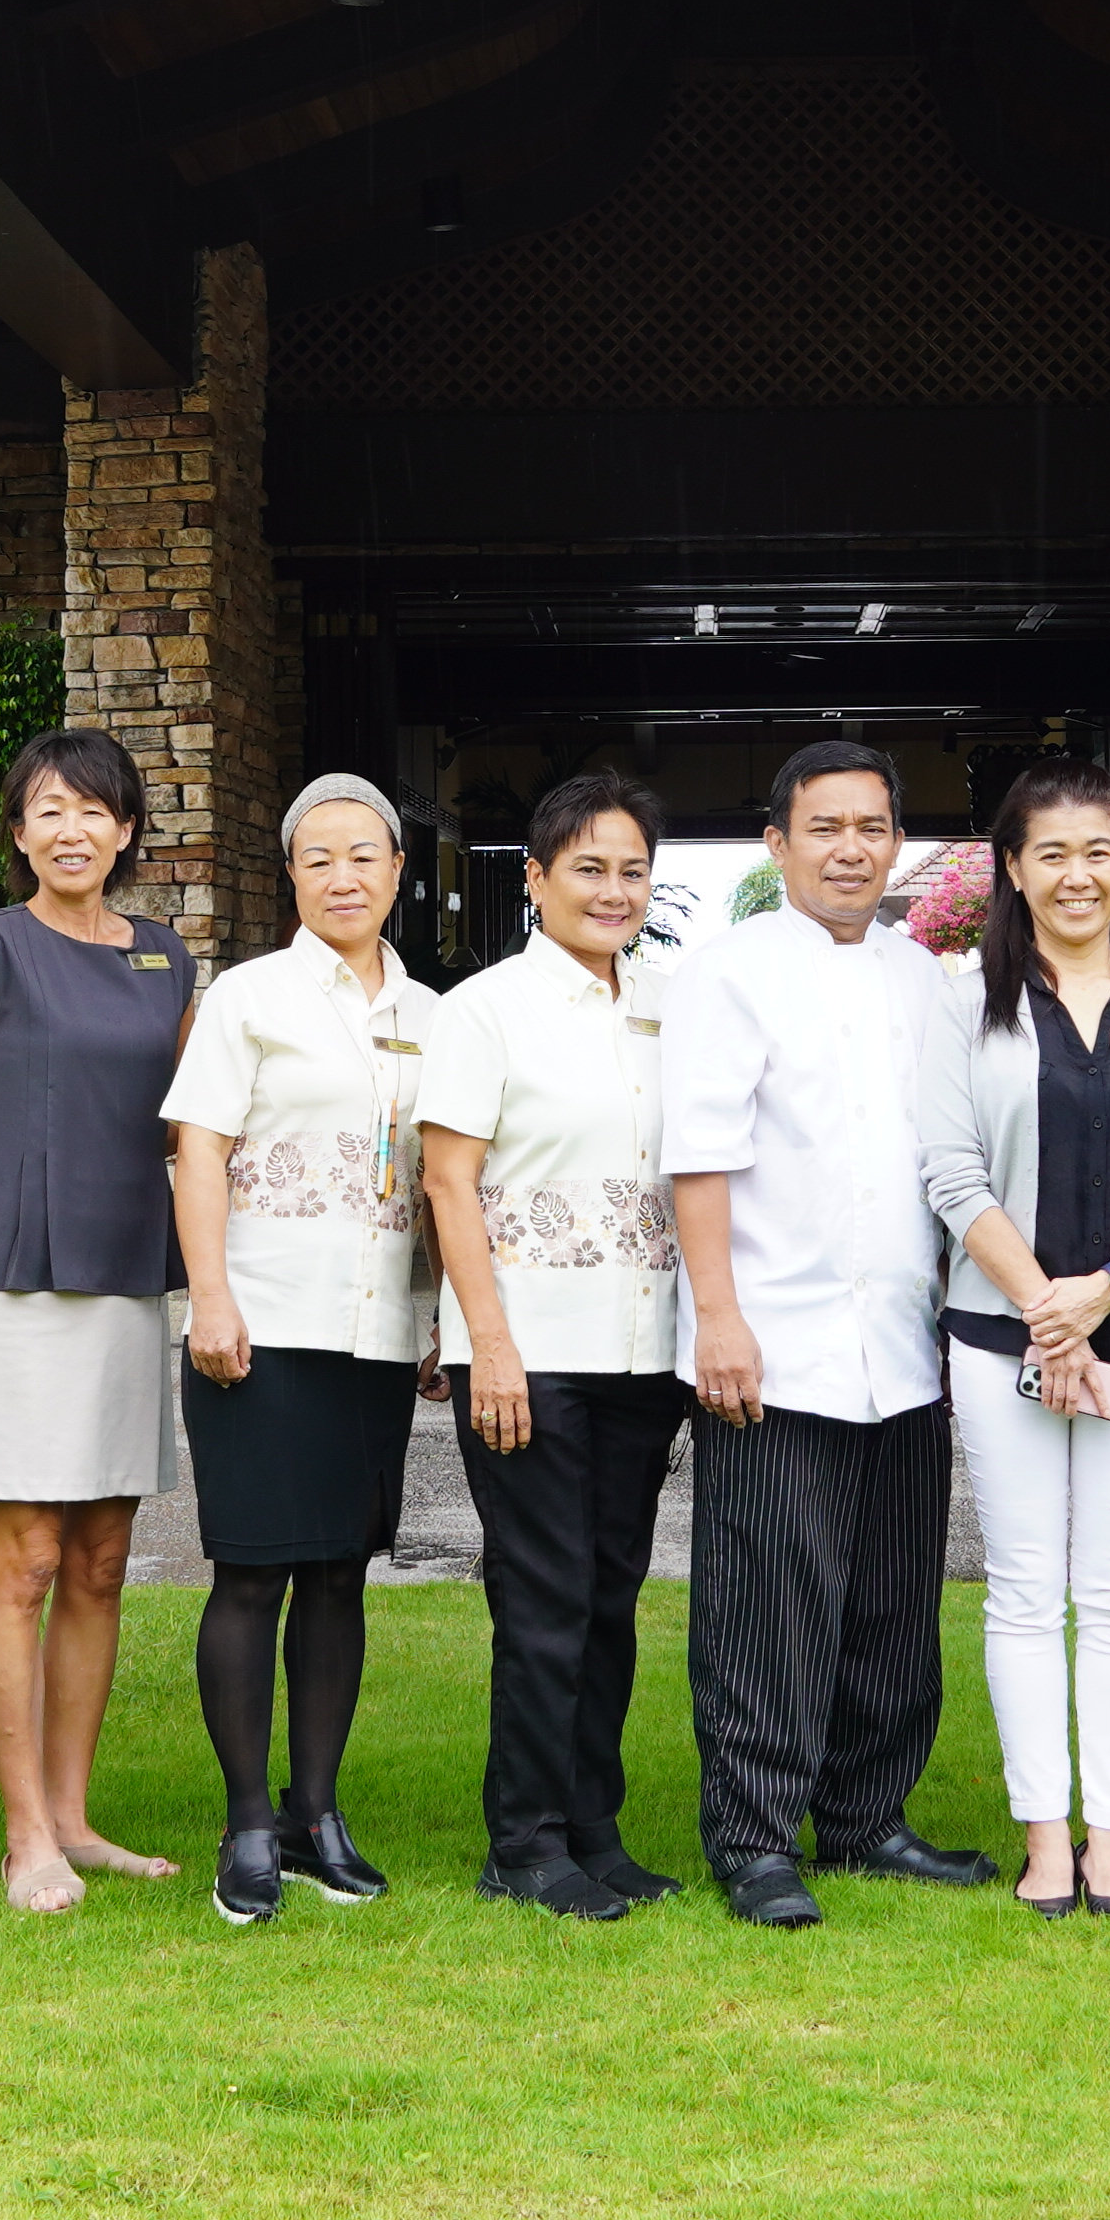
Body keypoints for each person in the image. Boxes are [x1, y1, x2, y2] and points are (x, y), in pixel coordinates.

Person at [663, 738, 995, 1929]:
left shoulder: (928, 977)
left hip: (904, 1346)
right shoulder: (731, 972)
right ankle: (754, 1837)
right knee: (766, 1600)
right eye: (825, 828)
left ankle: (867, 1817)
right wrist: (719, 1317)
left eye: (871, 827)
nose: (851, 848)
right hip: (774, 1340)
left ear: (896, 841)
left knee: (895, 1598)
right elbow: (698, 1153)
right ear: (777, 843)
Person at [907, 758, 1110, 1921]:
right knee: (1024, 1589)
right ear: (1011, 867)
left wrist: (1100, 1290)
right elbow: (949, 1169)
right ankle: (1044, 1838)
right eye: (1050, 852)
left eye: (1097, 850)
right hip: (1000, 1338)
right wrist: (1045, 1303)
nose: (1076, 873)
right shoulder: (964, 1003)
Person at [0, 725, 196, 1917]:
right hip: (24, 1293)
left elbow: (186, 1127)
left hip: (127, 1281)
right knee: (21, 1559)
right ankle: (26, 1836)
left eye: (95, 810)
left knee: (104, 1560)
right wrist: (5, 1216)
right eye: (47, 810)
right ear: (19, 831)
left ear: (126, 831)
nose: (72, 830)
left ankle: (76, 1815)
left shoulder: (165, 960)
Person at [155, 772, 440, 1925]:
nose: (344, 876)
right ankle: (246, 1824)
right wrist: (211, 1294)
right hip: (261, 1324)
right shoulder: (249, 998)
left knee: (339, 1574)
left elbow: (441, 1178)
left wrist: (433, 1318)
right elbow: (198, 1151)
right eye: (319, 857)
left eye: (364, 856)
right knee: (255, 1569)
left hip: (374, 1333)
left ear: (398, 873)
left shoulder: (431, 1013)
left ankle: (317, 1813)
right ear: (291, 875)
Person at [419, 767, 690, 1922]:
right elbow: (448, 1178)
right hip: (528, 1350)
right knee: (542, 1597)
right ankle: (521, 1839)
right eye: (588, 867)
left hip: (642, 1351)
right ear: (535, 879)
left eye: (632, 870)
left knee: (612, 1594)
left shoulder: (674, 1002)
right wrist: (489, 1345)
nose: (613, 889)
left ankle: (593, 1825)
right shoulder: (484, 1008)